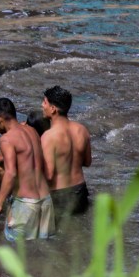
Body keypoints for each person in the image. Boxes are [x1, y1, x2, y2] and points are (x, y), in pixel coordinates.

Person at [0, 98, 55, 241]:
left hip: (26, 204)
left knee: (15, 251)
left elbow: (11, 173)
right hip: (46, 201)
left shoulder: (6, 139)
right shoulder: (32, 131)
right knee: (42, 250)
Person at [40, 86, 91, 221]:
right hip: (80, 191)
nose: (42, 105)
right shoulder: (82, 130)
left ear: (53, 109)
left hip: (60, 196)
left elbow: (49, 175)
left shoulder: (48, 136)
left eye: (44, 102)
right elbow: (87, 162)